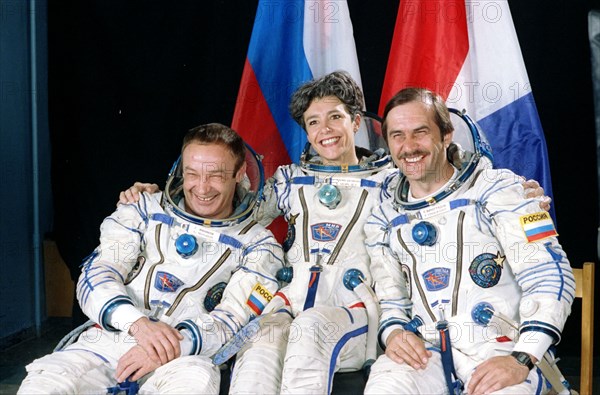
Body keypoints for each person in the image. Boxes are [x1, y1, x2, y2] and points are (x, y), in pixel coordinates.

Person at [118, 73, 551, 394]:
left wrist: (525, 193)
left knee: (308, 336)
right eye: (312, 122)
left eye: (334, 118)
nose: (324, 131)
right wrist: (155, 194)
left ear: (356, 119)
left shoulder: (392, 175)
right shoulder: (288, 180)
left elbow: (445, 187)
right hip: (285, 300)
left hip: (356, 305)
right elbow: (223, 205)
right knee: (257, 356)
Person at [18, 123, 284, 394]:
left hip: (186, 355)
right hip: (112, 338)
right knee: (47, 381)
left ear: (239, 174)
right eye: (192, 173)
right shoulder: (143, 210)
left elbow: (233, 318)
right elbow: (97, 276)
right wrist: (138, 324)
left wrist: (169, 347)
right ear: (181, 171)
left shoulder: (259, 246)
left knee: (196, 384)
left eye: (215, 175)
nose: (202, 188)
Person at [363, 88, 574, 394]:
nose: (408, 146)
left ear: (446, 135)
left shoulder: (500, 191)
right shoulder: (384, 217)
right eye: (397, 135)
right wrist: (394, 332)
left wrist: (522, 356)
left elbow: (550, 276)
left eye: (420, 132)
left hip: (503, 349)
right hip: (428, 351)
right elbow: (391, 299)